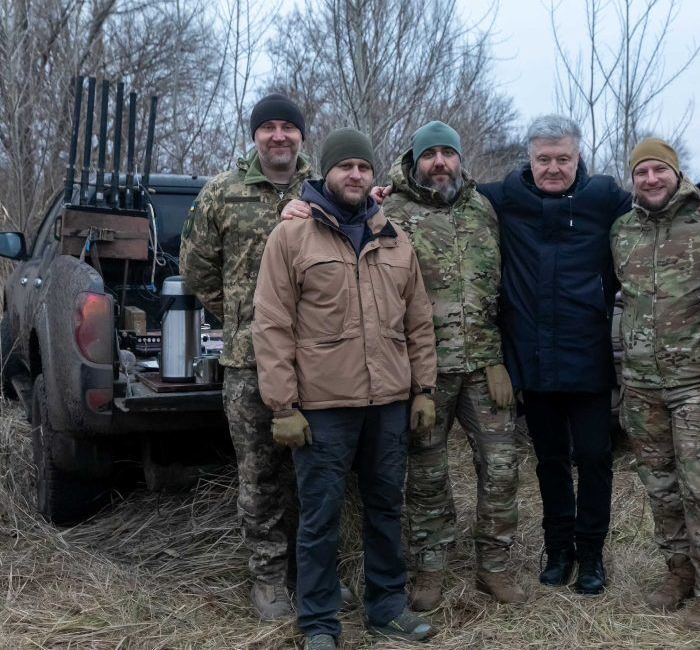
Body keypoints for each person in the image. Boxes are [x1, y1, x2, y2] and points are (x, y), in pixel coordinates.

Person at [282, 114, 700, 596]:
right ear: (528, 159)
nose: (553, 168)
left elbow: (656, 194)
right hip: (472, 365)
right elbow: (353, 210)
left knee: (547, 464)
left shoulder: (550, 201)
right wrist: (309, 205)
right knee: (473, 469)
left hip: (542, 361)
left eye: (563, 159)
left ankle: (542, 561)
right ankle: (475, 563)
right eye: (543, 159)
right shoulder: (442, 205)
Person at [252, 128, 438, 649]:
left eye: (363, 167)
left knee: (385, 509)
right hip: (324, 408)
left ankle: (387, 609)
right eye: (345, 167)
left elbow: (418, 321)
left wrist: (423, 389)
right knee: (320, 517)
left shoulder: (394, 239)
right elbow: (271, 324)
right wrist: (282, 405)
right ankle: (318, 623)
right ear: (325, 173)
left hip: (388, 405)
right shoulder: (291, 237)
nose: (355, 175)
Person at [180, 94, 353, 619]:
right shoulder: (223, 193)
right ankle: (269, 582)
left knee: (318, 477)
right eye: (268, 128)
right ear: (255, 136)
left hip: (318, 362)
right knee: (261, 477)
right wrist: (242, 314)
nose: (279, 136)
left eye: (288, 128)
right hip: (249, 363)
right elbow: (196, 269)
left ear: (302, 135)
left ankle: (315, 577)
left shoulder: (324, 191)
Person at [379, 121, 524, 609]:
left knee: (502, 470)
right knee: (426, 476)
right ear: (414, 160)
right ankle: (430, 569)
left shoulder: (484, 209)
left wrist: (500, 356)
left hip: (486, 369)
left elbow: (503, 290)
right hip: (424, 372)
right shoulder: (389, 213)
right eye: (429, 154)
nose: (439, 162)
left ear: (461, 159)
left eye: (448, 153)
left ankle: (495, 566)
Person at [610, 138, 700, 630]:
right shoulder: (621, 230)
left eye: (659, 170)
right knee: (660, 488)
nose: (651, 179)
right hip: (641, 385)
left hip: (698, 382)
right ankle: (678, 572)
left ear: (676, 174)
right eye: (641, 172)